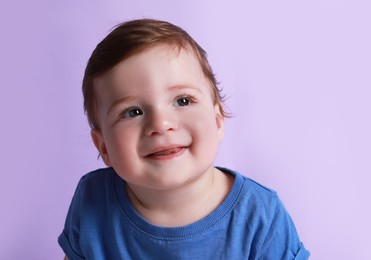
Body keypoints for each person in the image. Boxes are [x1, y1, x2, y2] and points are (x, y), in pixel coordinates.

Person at [58, 18, 310, 259]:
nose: (161, 124)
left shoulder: (260, 215)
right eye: (133, 112)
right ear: (103, 147)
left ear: (218, 121)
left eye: (183, 101)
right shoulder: (92, 200)